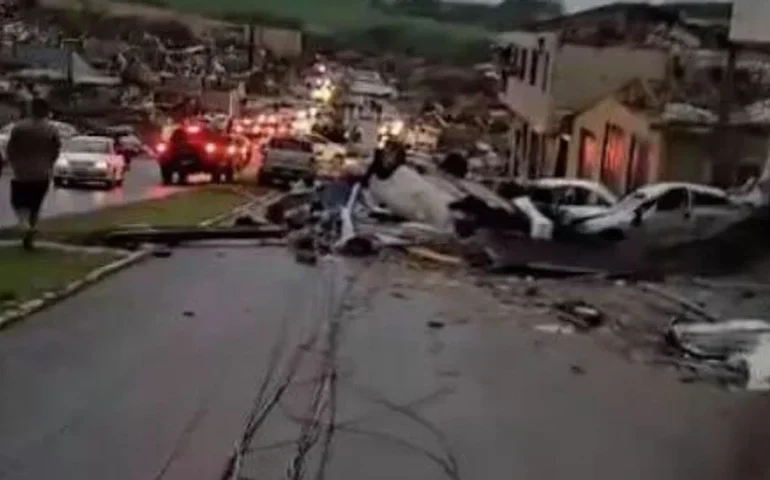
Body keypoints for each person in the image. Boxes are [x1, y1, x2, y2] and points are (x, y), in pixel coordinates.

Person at [6, 97, 61, 250]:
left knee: (18, 203)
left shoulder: (19, 128)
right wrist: (49, 164)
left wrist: (13, 163)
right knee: (35, 206)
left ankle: (25, 225)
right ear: (46, 111)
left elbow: (11, 148)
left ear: (31, 109)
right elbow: (56, 150)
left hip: (22, 173)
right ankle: (29, 237)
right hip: (42, 174)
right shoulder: (52, 129)